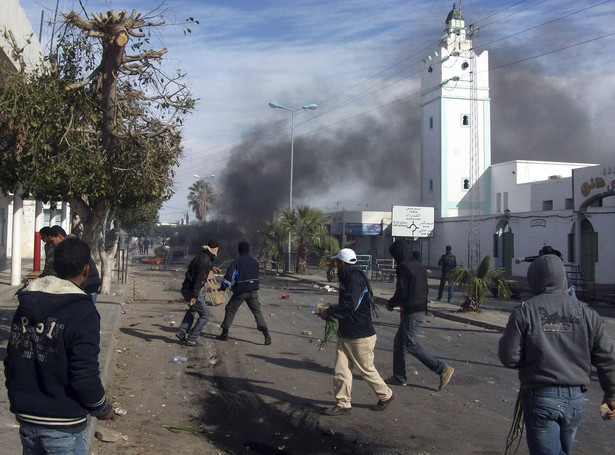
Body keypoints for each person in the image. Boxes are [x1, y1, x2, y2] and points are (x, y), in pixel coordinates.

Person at [4, 237, 115, 454]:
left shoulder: (25, 303)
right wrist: (102, 408)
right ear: (85, 270)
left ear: (54, 265)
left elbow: (12, 359)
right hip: (63, 424)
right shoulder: (83, 311)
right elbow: (84, 375)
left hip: (26, 417)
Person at [498, 253, 615, 454]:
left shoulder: (525, 311)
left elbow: (509, 357)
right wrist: (611, 393)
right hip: (576, 400)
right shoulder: (588, 313)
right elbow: (606, 357)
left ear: (534, 278)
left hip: (541, 398)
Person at [318, 248, 394, 416]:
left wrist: (329, 312)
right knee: (341, 369)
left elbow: (350, 305)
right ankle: (343, 403)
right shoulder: (349, 276)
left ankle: (386, 395)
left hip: (360, 334)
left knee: (366, 369)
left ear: (343, 263)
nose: (336, 265)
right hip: (346, 331)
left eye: (337, 262)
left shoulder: (353, 279)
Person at [385, 239, 455, 390]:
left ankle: (442, 369)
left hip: (411, 309)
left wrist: (391, 303)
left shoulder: (403, 267)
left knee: (411, 344)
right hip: (419, 306)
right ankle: (399, 376)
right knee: (399, 343)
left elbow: (402, 291)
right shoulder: (418, 265)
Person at [216, 241, 271, 345]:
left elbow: (229, 277)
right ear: (248, 250)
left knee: (230, 309)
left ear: (239, 250)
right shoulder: (254, 262)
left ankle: (224, 333)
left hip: (240, 291)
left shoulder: (236, 262)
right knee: (257, 312)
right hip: (253, 291)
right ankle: (266, 334)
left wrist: (223, 287)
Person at [176, 240, 221, 347]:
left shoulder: (203, 256)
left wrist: (211, 267)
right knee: (205, 315)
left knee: (192, 310)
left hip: (186, 288)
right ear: (214, 250)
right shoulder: (205, 260)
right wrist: (194, 297)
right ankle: (192, 338)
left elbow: (199, 267)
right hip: (191, 290)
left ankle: (182, 331)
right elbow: (199, 280)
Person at [42, 225, 102, 303]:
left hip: (87, 287)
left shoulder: (71, 248)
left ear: (60, 237)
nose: (51, 245)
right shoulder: (68, 246)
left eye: (52, 241)